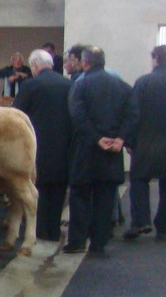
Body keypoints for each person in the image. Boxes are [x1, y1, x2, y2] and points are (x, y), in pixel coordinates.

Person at [64, 46, 135, 255]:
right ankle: (99, 244)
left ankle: (77, 242)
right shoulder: (123, 86)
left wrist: (96, 138)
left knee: (80, 196)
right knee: (105, 198)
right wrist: (120, 138)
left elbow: (77, 115)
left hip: (85, 150)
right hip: (112, 152)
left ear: (85, 62)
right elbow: (132, 115)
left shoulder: (80, 85)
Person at [13, 49, 72, 241]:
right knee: (59, 190)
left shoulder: (30, 85)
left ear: (34, 65)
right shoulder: (68, 84)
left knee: (38, 189)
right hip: (63, 145)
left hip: (36, 146)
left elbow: (17, 114)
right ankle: (54, 230)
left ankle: (39, 230)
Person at [124, 44, 166, 241]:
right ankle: (165, 226)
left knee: (138, 181)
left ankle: (141, 221)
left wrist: (129, 140)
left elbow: (133, 114)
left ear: (156, 59)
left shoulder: (143, 82)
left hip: (145, 143)